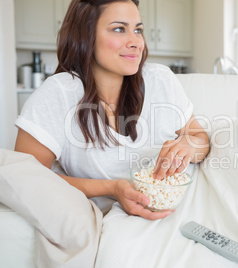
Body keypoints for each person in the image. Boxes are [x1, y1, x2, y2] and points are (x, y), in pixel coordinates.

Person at [14, 0, 210, 221]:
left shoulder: (161, 80)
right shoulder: (58, 93)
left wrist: (187, 145)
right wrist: (111, 188)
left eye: (138, 30)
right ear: (86, 35)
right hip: (109, 222)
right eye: (119, 29)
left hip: (180, 213)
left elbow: (199, 137)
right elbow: (25, 177)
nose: (136, 41)